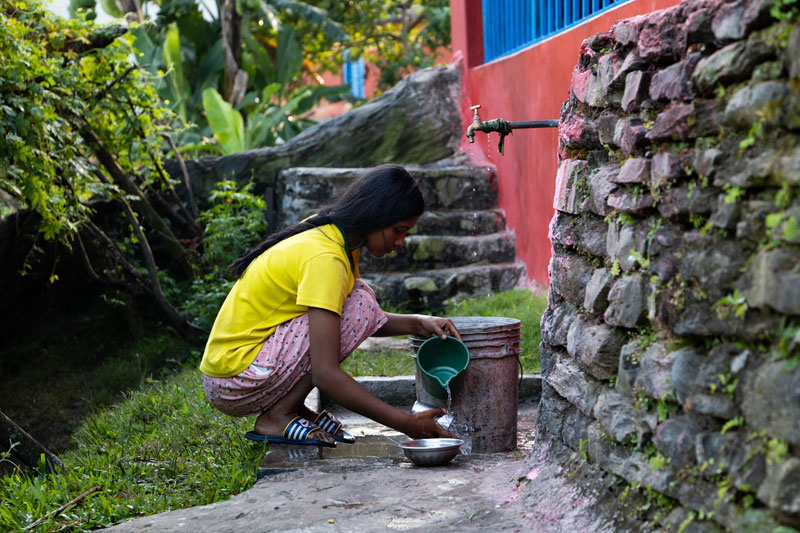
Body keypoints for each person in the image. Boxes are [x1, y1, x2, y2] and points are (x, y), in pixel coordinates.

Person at [200, 164, 462, 447]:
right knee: (360, 302)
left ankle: (295, 408)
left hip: (236, 369)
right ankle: (278, 415)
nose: (401, 242)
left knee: (359, 301)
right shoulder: (327, 258)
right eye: (398, 230)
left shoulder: (337, 236)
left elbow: (354, 317)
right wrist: (404, 423)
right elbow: (325, 373)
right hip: (235, 379)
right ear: (377, 216)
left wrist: (418, 322)